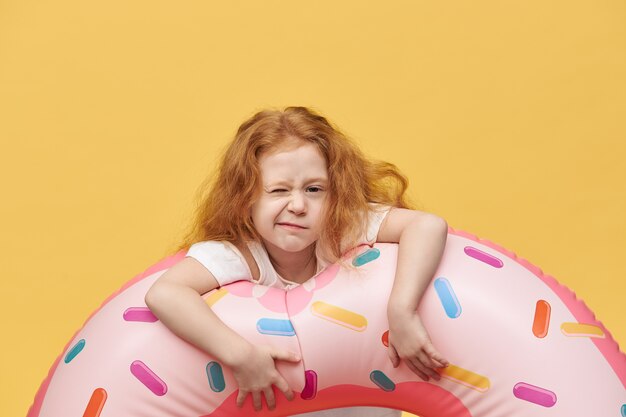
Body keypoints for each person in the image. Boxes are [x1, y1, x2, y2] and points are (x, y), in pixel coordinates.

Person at [145, 106, 450, 417]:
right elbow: (165, 293)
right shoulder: (241, 254)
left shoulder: (341, 233)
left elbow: (427, 225)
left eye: (314, 189)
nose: (299, 205)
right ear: (245, 198)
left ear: (336, 194)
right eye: (279, 190)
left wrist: (401, 310)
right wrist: (241, 356)